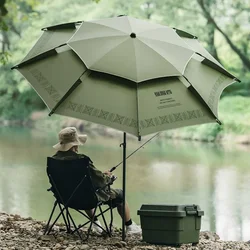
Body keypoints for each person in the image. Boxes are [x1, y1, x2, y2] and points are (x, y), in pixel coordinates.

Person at [52, 126, 141, 235]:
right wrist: (108, 178)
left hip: (64, 198)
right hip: (86, 199)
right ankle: (130, 226)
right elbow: (100, 182)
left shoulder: (53, 161)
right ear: (74, 145)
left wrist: (100, 176)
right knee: (120, 194)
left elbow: (86, 179)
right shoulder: (82, 161)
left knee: (82, 189)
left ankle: (96, 224)